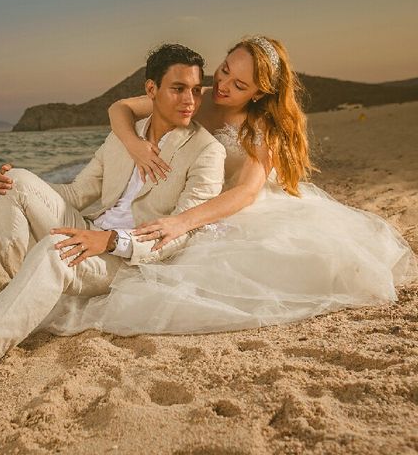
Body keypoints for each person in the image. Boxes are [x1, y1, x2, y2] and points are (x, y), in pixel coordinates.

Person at [0, 44, 227, 403]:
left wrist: (112, 240)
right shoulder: (124, 137)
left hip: (127, 258)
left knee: (57, 249)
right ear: (151, 90)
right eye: (178, 88)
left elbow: (180, 231)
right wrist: (20, 188)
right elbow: (76, 192)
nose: (190, 99)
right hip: (91, 227)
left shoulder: (207, 151)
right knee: (16, 181)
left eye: (195, 89)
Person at [34, 36, 417, 337]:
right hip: (191, 194)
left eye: (239, 84)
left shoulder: (261, 127)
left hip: (234, 209)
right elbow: (119, 109)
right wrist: (135, 147)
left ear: (258, 93)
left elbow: (246, 192)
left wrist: (183, 221)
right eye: (224, 70)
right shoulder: (194, 97)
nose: (223, 85)